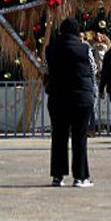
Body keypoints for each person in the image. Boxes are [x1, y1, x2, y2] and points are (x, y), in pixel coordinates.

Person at [44, 17, 96, 187]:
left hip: (58, 97)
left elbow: (45, 69)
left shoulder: (50, 49)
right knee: (79, 137)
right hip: (81, 97)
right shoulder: (85, 48)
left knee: (59, 136)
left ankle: (58, 177)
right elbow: (94, 68)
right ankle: (80, 177)